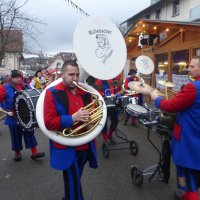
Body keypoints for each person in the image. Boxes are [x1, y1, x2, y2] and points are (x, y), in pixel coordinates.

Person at [43, 60, 98, 200]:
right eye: (71, 74)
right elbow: (49, 122)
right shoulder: (52, 93)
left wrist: (92, 123)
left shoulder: (86, 92)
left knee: (74, 179)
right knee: (73, 181)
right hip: (65, 145)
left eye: (77, 74)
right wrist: (72, 118)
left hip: (85, 144)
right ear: (62, 75)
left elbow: (94, 116)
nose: (75, 78)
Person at [150, 56, 200, 200]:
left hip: (189, 142)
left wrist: (156, 99)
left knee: (188, 182)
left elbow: (171, 106)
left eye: (192, 66)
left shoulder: (192, 87)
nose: (188, 69)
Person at [0, 70, 45, 161]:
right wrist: (1, 107)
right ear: (12, 78)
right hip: (13, 116)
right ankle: (17, 153)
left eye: (20, 77)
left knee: (29, 132)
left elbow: (33, 94)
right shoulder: (5, 87)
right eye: (17, 77)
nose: (19, 79)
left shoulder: (25, 86)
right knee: (15, 135)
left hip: (26, 115)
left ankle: (34, 152)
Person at [95, 75, 121, 145]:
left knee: (115, 121)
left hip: (113, 104)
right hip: (104, 105)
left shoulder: (114, 80)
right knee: (104, 123)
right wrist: (106, 95)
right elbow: (97, 92)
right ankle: (105, 138)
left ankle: (110, 136)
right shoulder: (99, 80)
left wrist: (117, 95)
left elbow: (118, 91)